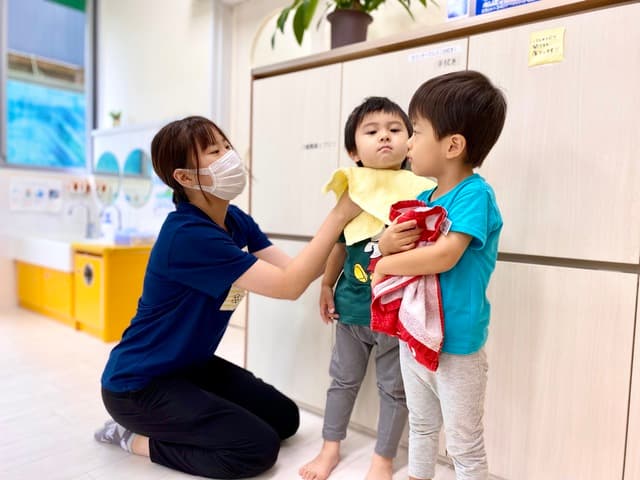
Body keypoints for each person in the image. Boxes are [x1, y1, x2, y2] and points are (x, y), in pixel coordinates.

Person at [93, 115, 361, 479]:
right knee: (256, 449)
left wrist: (347, 240)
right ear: (184, 178)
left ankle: (181, 418)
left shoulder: (233, 220)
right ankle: (132, 438)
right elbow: (289, 287)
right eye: (213, 152)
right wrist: (342, 212)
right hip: (138, 385)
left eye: (226, 146)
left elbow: (296, 269)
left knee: (285, 419)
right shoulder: (188, 236)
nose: (229, 157)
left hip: (190, 367)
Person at [371, 71, 507, 480]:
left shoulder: (475, 194)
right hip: (416, 335)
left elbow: (445, 255)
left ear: (452, 145)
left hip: (457, 345)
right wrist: (385, 244)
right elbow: (394, 245)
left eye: (415, 131)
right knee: (423, 423)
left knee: (465, 445)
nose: (407, 143)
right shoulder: (424, 199)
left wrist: (384, 264)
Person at [299, 97, 433, 480]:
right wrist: (326, 284)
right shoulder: (352, 190)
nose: (385, 137)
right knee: (342, 382)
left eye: (394, 129)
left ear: (410, 141)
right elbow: (338, 245)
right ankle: (330, 448)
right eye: (372, 132)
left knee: (395, 389)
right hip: (352, 309)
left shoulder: (423, 187)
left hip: (397, 315)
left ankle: (383, 458)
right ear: (353, 151)